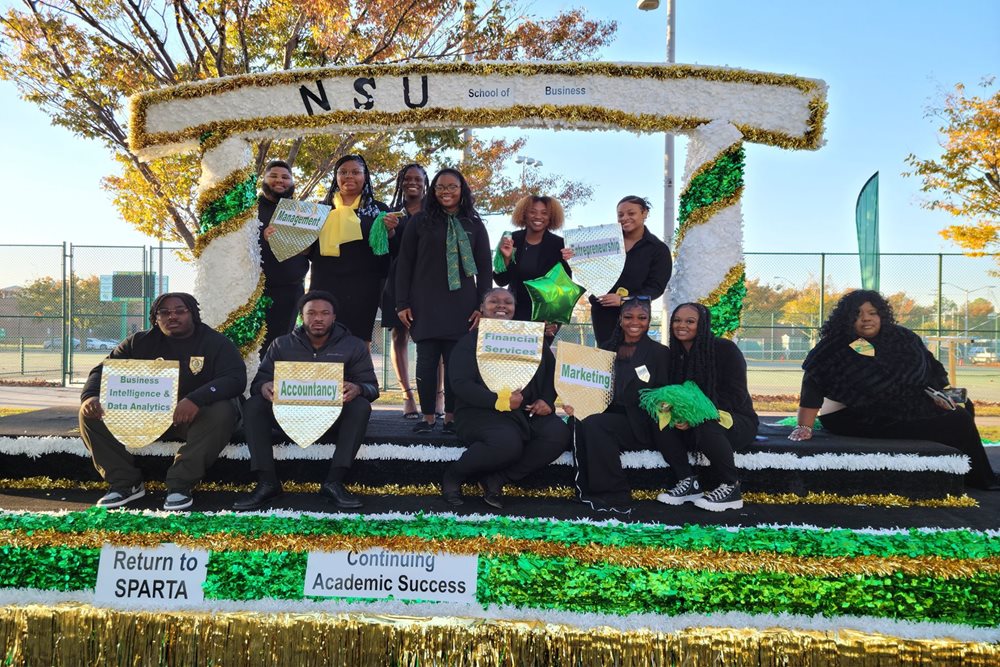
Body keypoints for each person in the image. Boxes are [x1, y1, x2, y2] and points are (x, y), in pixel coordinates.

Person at [789, 290, 998, 490]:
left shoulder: (903, 338)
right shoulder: (834, 346)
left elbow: (930, 367)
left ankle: (963, 474)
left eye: (872, 313)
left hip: (897, 405)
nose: (866, 319)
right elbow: (812, 382)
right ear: (846, 319)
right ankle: (972, 477)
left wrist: (940, 393)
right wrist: (804, 426)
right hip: (849, 415)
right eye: (857, 314)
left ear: (882, 315)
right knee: (956, 420)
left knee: (958, 410)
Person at [79, 293, 245, 511]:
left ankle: (180, 484)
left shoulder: (215, 342)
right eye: (164, 312)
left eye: (179, 311)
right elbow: (102, 371)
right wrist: (90, 396)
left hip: (192, 420)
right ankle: (125, 483)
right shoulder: (138, 342)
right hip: (145, 415)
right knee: (88, 413)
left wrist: (195, 399)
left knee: (223, 410)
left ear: (192, 314)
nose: (172, 316)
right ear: (155, 318)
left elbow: (235, 378)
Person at [233, 290, 379, 511]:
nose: (318, 318)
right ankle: (267, 482)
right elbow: (257, 384)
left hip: (333, 418)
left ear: (334, 317)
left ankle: (334, 481)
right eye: (311, 313)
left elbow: (372, 387)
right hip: (287, 416)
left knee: (360, 406)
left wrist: (358, 388)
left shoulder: (354, 345)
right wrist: (264, 387)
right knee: (253, 405)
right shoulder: (281, 345)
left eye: (324, 313)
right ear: (302, 316)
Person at [444, 288, 570, 508]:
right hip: (480, 412)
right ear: (481, 309)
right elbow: (460, 384)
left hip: (524, 411)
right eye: (493, 301)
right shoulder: (469, 342)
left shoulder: (531, 338)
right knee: (507, 443)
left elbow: (552, 374)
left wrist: (547, 401)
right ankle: (454, 475)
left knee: (558, 433)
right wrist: (499, 401)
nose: (501, 306)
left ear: (514, 309)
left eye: (508, 302)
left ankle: (498, 479)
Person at [395, 168, 492, 435]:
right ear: (433, 190)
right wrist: (401, 302)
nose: (446, 192)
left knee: (455, 363)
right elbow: (404, 264)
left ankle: (451, 417)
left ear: (462, 190)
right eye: (440, 187)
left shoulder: (474, 223)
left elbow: (485, 267)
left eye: (452, 187)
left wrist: (482, 306)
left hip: (463, 304)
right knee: (426, 361)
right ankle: (427, 417)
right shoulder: (420, 221)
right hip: (424, 302)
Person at [565, 296, 671, 513]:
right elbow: (592, 387)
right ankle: (586, 488)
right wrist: (577, 402)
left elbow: (665, 394)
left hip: (641, 421)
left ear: (649, 321)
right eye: (629, 316)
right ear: (620, 320)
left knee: (596, 424)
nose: (635, 322)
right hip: (610, 414)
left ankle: (615, 493)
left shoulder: (660, 353)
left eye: (642, 317)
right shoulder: (605, 348)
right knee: (580, 420)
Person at [655, 302, 757, 511]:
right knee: (659, 418)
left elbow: (736, 395)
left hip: (734, 420)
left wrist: (695, 414)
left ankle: (731, 487)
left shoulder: (724, 349)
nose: (681, 325)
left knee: (705, 422)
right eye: (677, 320)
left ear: (702, 325)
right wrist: (676, 413)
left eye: (690, 321)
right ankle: (688, 482)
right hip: (691, 422)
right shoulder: (673, 355)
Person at [379, 164, 444, 419]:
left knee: (434, 339)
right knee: (399, 336)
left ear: (426, 182)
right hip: (399, 279)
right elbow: (387, 251)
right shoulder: (392, 212)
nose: (412, 182)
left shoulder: (436, 211)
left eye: (418, 178)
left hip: (430, 282)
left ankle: (438, 395)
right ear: (401, 182)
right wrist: (389, 231)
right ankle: (407, 395)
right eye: (407, 178)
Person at [309, 154, 388, 344]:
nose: (349, 176)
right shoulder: (319, 210)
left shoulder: (378, 210)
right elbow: (307, 250)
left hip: (362, 288)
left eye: (355, 172)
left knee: (358, 344)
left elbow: (385, 252)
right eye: (343, 172)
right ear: (335, 177)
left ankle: (357, 376)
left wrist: (390, 232)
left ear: (365, 177)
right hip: (324, 284)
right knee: (321, 341)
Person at [572, 196, 671, 346]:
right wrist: (573, 255)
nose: (625, 218)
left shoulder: (658, 249)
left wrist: (625, 300)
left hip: (635, 315)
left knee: (632, 358)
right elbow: (589, 268)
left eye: (631, 213)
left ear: (645, 213)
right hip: (604, 313)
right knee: (607, 358)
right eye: (620, 215)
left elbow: (656, 288)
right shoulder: (605, 242)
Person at [257, 159, 309, 354]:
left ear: (292, 183)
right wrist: (262, 237)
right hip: (255, 290)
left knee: (280, 346)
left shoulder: (301, 213)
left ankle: (272, 385)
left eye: (285, 177)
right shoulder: (249, 211)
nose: (279, 180)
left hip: (290, 290)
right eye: (273, 176)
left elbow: (310, 249)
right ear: (264, 180)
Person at [494, 195, 571, 322]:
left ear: (551, 217)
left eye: (544, 213)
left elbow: (564, 287)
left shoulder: (560, 244)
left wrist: (554, 319)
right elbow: (501, 281)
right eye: (532, 212)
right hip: (514, 312)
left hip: (545, 315)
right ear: (524, 214)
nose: (538, 217)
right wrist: (506, 259)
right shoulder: (511, 239)